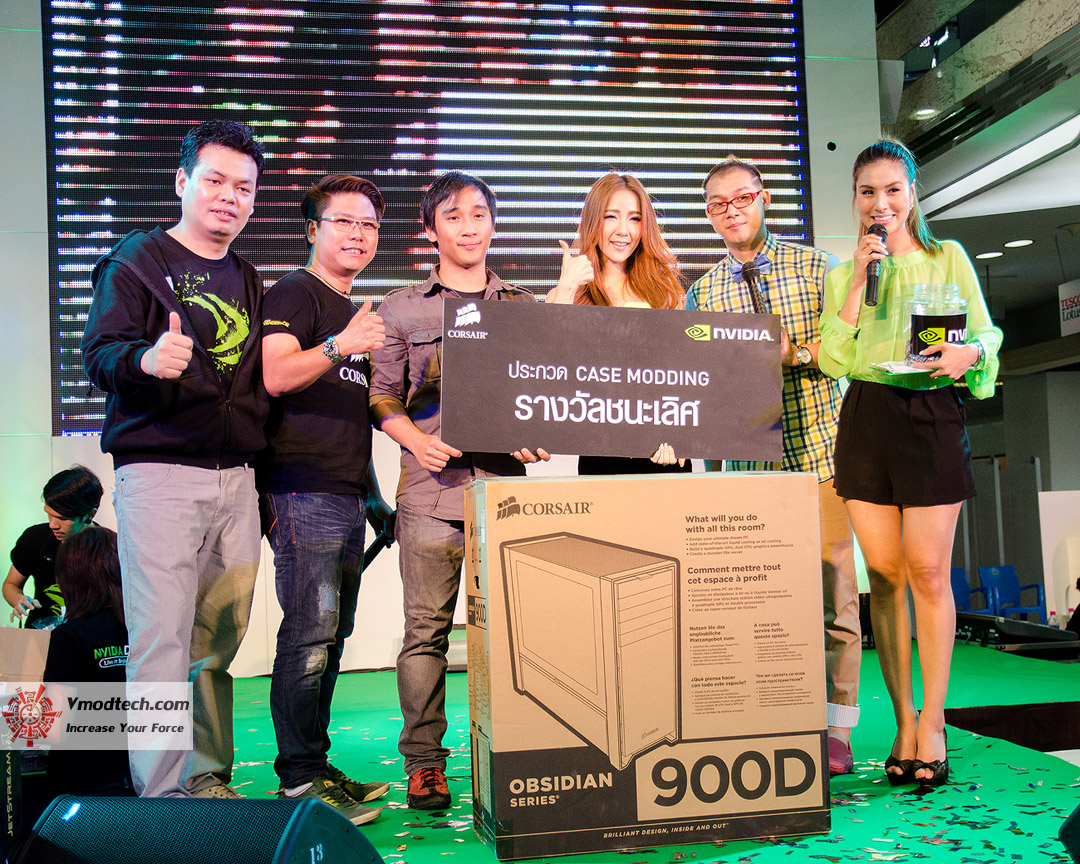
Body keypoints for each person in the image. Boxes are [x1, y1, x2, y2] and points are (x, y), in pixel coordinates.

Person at [81, 119, 268, 799]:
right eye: (215, 180)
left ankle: (206, 777)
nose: (229, 197)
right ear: (183, 181)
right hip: (159, 475)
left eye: (243, 187)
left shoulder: (247, 275)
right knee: (161, 642)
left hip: (236, 480)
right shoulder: (136, 260)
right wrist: (145, 360)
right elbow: (98, 355)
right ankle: (162, 797)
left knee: (217, 641)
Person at [818, 138, 1002, 787]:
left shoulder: (946, 257)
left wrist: (971, 354)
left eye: (893, 189)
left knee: (927, 570)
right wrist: (855, 284)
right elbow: (833, 359)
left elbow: (985, 332)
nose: (881, 203)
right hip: (867, 417)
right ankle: (901, 722)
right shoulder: (844, 273)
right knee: (886, 576)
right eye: (868, 191)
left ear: (912, 194)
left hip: (931, 414)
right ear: (855, 200)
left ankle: (934, 722)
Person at [370, 171, 548, 809]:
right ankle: (425, 764)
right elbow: (381, 396)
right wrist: (414, 441)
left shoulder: (523, 307)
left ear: (493, 223)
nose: (468, 227)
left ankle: (514, 754)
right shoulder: (401, 308)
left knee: (512, 633)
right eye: (453, 216)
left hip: (504, 492)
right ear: (430, 229)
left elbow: (541, 393)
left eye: (478, 214)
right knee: (426, 633)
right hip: (429, 492)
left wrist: (536, 433)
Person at [686, 156, 861, 776]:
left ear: (764, 200)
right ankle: (772, 719)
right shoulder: (703, 291)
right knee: (760, 605)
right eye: (717, 204)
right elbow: (702, 380)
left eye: (741, 198)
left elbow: (848, 351)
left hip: (822, 457)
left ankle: (836, 729)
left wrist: (796, 354)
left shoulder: (818, 267)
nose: (730, 211)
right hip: (748, 472)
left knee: (835, 601)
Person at [260, 174, 395, 824]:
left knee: (331, 636)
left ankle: (314, 764)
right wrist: (342, 344)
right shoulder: (295, 291)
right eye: (344, 221)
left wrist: (373, 498)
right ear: (313, 229)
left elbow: (349, 418)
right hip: (299, 491)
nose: (358, 235)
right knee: (308, 635)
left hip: (343, 495)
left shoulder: (352, 309)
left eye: (369, 224)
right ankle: (298, 781)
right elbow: (276, 374)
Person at [547, 172, 688, 473]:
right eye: (611, 216)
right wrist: (567, 286)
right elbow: (549, 370)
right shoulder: (569, 294)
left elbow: (683, 379)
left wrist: (683, 437)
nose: (623, 230)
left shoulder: (665, 293)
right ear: (592, 221)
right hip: (601, 454)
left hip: (661, 452)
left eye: (635, 219)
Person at [42, 525, 134, 797]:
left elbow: (54, 727)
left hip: (84, 788)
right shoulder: (147, 629)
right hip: (147, 782)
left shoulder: (68, 636)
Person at [5, 466, 103, 628]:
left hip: (86, 636)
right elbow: (11, 584)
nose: (53, 525)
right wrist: (18, 599)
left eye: (62, 518)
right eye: (48, 514)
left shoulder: (107, 548)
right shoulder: (35, 538)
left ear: (90, 514)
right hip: (39, 634)